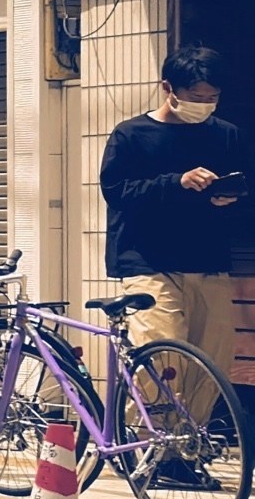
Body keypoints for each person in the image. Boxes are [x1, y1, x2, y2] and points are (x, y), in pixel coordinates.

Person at [97, 49, 247, 451]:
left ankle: (183, 446)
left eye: (211, 97)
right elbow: (117, 192)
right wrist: (176, 182)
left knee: (211, 357)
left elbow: (242, 191)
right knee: (164, 353)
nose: (204, 105)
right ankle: (152, 444)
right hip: (148, 261)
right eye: (196, 96)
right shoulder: (131, 135)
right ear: (169, 89)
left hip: (209, 261)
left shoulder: (225, 134)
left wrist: (230, 200)